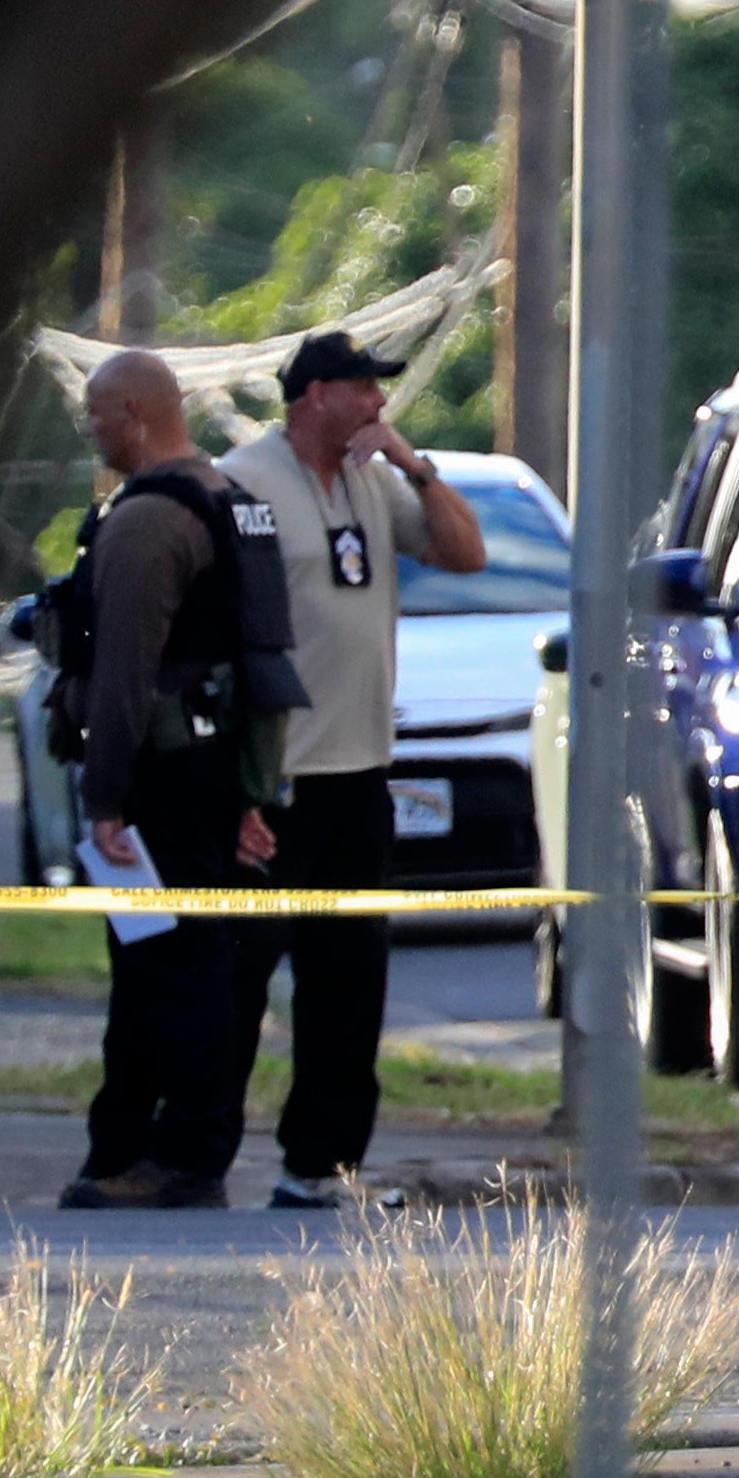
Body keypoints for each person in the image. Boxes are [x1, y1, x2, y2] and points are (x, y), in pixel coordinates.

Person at [203, 332, 485, 1211]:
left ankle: (319, 1166)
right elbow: (214, 633)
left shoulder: (373, 478)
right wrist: (235, 783)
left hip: (361, 770)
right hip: (276, 774)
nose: (377, 404)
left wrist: (413, 465)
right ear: (314, 393)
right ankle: (198, 1156)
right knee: (239, 974)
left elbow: (465, 552)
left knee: (349, 980)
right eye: (364, 389)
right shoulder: (243, 479)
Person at [53, 350, 296, 1212]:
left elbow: (122, 673)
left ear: (133, 412)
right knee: (167, 969)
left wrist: (106, 800)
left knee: (173, 974)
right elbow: (265, 662)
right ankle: (121, 1150)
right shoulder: (237, 506)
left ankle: (184, 1157)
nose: (91, 430)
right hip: (216, 775)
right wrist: (252, 793)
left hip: (158, 786)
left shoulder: (147, 522)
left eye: (96, 414)